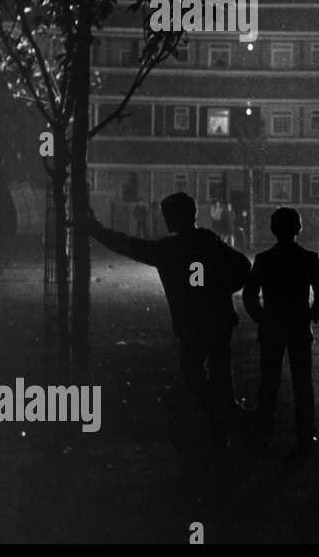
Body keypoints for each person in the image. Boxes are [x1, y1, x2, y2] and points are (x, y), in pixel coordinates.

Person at [84, 192, 251, 448]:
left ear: (179, 216)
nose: (165, 220)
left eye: (168, 215)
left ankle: (225, 417)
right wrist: (221, 288)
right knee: (220, 373)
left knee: (194, 374)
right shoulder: (209, 242)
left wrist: (96, 230)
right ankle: (226, 418)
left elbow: (129, 245)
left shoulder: (169, 249)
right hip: (218, 319)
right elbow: (242, 267)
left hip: (191, 322)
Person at [243, 207, 319, 453]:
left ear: (273, 230)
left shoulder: (263, 259)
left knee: (268, 382)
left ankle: (264, 431)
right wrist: (312, 315)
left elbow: (250, 294)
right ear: (298, 229)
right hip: (299, 326)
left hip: (272, 326)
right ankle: (305, 433)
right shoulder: (309, 258)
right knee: (303, 382)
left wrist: (261, 317)